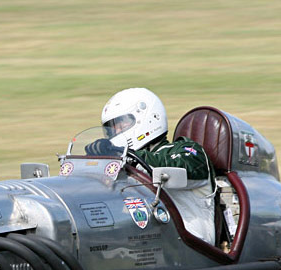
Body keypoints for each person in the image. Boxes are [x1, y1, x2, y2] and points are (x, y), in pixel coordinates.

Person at [87, 88, 216, 244]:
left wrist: (122, 154)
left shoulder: (188, 151)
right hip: (146, 243)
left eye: (122, 125)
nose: (116, 132)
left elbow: (173, 164)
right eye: (112, 129)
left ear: (148, 118)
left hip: (191, 247)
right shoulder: (124, 161)